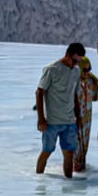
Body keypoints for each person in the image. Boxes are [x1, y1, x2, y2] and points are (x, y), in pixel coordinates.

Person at [34, 42, 85, 178]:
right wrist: (41, 119)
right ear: (67, 54)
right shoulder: (51, 69)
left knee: (69, 153)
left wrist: (78, 116)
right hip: (51, 121)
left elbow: (74, 94)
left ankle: (68, 187)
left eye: (78, 62)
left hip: (70, 121)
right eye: (74, 60)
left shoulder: (76, 71)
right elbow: (39, 92)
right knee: (47, 151)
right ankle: (38, 183)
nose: (75, 64)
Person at [75, 53, 98, 173]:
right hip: (74, 119)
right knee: (75, 148)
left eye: (89, 69)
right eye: (85, 69)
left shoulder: (90, 81)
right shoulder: (73, 81)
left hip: (86, 120)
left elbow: (96, 96)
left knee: (84, 148)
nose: (87, 72)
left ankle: (81, 177)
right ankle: (73, 177)